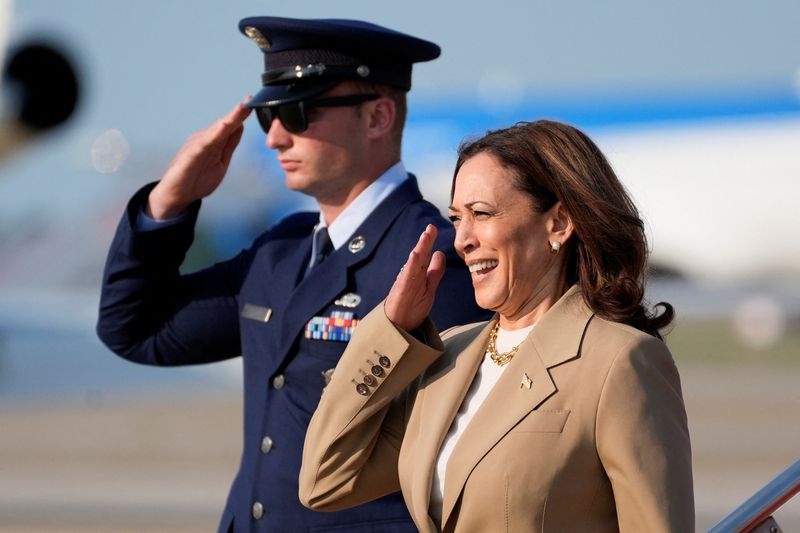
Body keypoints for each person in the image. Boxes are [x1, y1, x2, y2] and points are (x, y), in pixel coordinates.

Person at [96, 16, 491, 533]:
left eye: (297, 112)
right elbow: (135, 329)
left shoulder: (433, 260)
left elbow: (473, 451)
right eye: (267, 118)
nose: (275, 138)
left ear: (377, 117)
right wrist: (169, 202)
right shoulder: (278, 254)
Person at [299, 120, 695, 532]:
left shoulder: (620, 361)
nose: (461, 240)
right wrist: (389, 332)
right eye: (457, 218)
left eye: (481, 214)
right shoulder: (449, 356)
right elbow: (324, 481)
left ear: (558, 223)